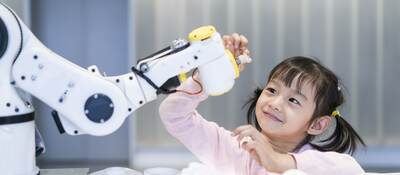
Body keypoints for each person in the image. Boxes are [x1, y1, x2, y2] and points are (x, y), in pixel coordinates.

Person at [159, 34, 366, 175]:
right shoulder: (232, 147)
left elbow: (352, 170)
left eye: (293, 100)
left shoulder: (319, 163)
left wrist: (278, 161)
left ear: (317, 124)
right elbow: (174, 115)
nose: (275, 103)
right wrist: (210, 75)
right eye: (272, 90)